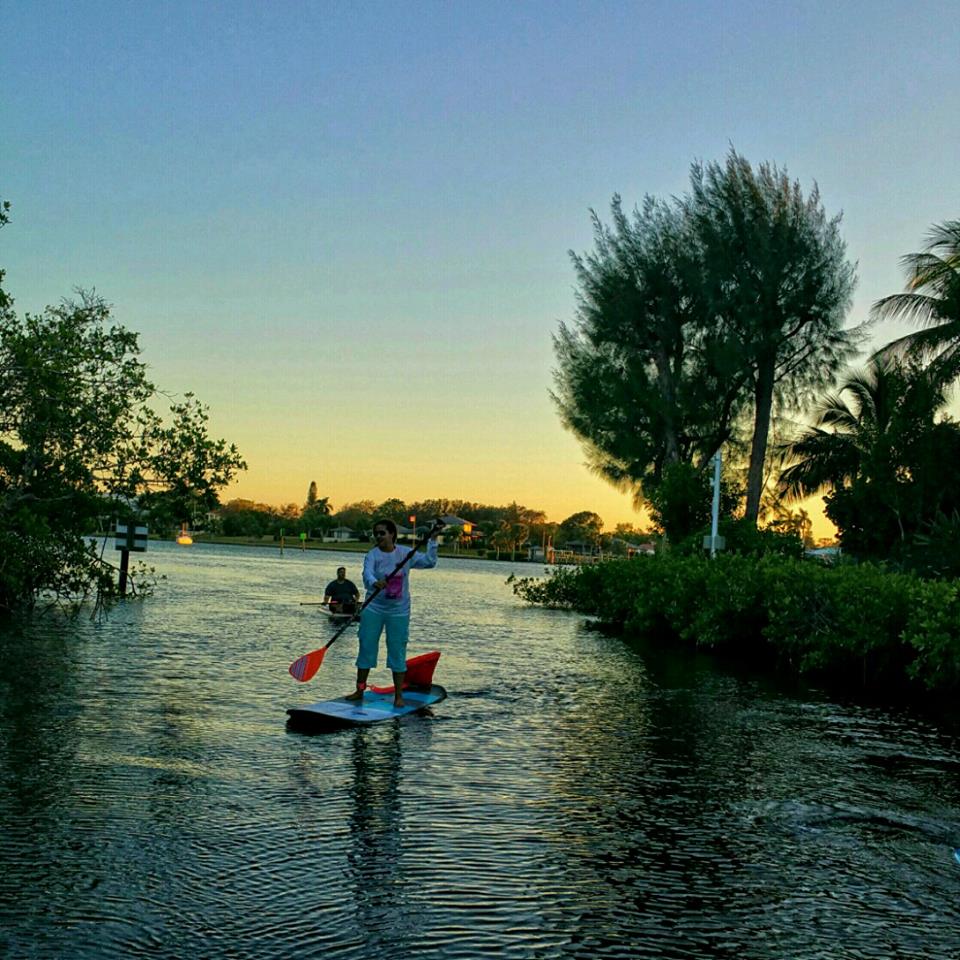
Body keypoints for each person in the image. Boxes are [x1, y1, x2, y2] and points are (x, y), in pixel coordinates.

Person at [345, 518, 441, 708]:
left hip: (399, 611)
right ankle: (359, 690)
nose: (378, 536)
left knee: (397, 650)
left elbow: (429, 562)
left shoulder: (405, 553)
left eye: (382, 533)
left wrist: (433, 539)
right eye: (376, 533)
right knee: (366, 646)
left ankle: (398, 696)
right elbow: (367, 574)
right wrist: (375, 582)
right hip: (374, 608)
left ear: (392, 535)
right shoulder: (372, 555)